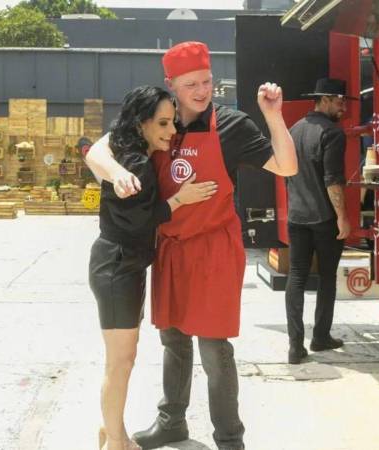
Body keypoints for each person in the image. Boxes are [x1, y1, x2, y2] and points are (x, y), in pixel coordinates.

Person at [86, 41, 297, 450]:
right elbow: (98, 150)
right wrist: (115, 173)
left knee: (214, 346)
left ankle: (230, 438)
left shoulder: (231, 125)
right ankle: (172, 423)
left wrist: (274, 116)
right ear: (171, 85)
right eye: (191, 84)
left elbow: (286, 166)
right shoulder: (158, 119)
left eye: (207, 81)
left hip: (214, 248)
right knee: (173, 340)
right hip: (169, 248)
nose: (202, 91)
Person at [89, 86, 218, 450]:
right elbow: (140, 223)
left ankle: (110, 430)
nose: (171, 131)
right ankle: (116, 441)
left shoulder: (129, 151)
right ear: (141, 123)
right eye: (162, 123)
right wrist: (180, 199)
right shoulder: (139, 163)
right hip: (118, 267)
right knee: (120, 361)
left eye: (172, 122)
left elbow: (99, 150)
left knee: (121, 359)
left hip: (120, 265)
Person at [284, 78, 354, 365]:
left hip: (296, 216)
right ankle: (321, 336)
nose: (344, 106)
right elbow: (333, 180)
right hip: (324, 218)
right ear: (323, 99)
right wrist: (342, 217)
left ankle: (295, 346)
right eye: (340, 100)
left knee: (297, 276)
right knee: (326, 277)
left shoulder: (293, 131)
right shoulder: (333, 134)